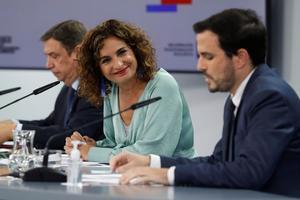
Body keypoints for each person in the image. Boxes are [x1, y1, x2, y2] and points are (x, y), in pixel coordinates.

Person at [109, 9, 300, 197]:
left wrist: (167, 175)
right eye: (199, 56)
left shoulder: (270, 97)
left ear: (240, 58)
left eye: (208, 56)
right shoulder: (240, 95)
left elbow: (249, 172)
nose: (200, 66)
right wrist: (150, 162)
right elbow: (218, 161)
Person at [64, 19, 196, 163]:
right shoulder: (112, 90)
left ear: (136, 51)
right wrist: (91, 145)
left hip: (176, 178)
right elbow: (116, 144)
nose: (118, 64)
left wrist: (92, 153)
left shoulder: (163, 85)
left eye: (122, 52)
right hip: (134, 177)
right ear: (98, 68)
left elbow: (153, 153)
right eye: (106, 60)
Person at [0, 20, 104, 149]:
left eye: (54, 56)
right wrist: (12, 123)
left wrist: (14, 131)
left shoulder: (97, 89)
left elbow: (72, 135)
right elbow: (50, 124)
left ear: (78, 53)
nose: (48, 65)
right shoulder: (69, 88)